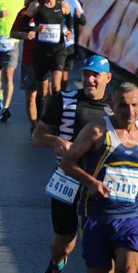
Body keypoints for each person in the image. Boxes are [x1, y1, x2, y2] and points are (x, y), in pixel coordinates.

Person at [33, 55, 112, 273]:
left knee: (106, 240)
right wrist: (56, 141)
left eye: (95, 75)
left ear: (108, 78)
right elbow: (37, 136)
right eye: (86, 74)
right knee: (64, 242)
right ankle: (56, 263)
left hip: (100, 183)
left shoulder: (114, 108)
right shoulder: (65, 100)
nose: (90, 80)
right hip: (66, 178)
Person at [61, 82, 138, 273]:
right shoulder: (97, 130)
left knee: (129, 268)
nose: (130, 111)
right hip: (96, 216)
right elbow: (67, 162)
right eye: (123, 105)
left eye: (135, 105)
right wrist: (91, 182)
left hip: (131, 216)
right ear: (112, 106)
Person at [22, 0, 73, 118]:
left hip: (58, 50)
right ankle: (40, 121)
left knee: (56, 87)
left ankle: (56, 119)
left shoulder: (63, 5)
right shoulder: (36, 6)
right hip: (41, 52)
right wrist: (35, 28)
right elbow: (24, 24)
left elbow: (70, 20)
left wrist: (69, 31)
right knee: (42, 91)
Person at [10, 0, 45, 135]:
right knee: (31, 95)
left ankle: (44, 124)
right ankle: (34, 126)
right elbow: (13, 33)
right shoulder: (24, 13)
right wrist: (26, 35)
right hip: (30, 58)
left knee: (45, 94)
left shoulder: (50, 12)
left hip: (47, 57)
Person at [58, 0, 86, 91]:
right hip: (54, 42)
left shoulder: (73, 2)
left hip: (69, 42)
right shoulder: (50, 2)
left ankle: (61, 96)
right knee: (54, 73)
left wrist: (79, 16)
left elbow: (83, 22)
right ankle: (52, 97)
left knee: (64, 74)